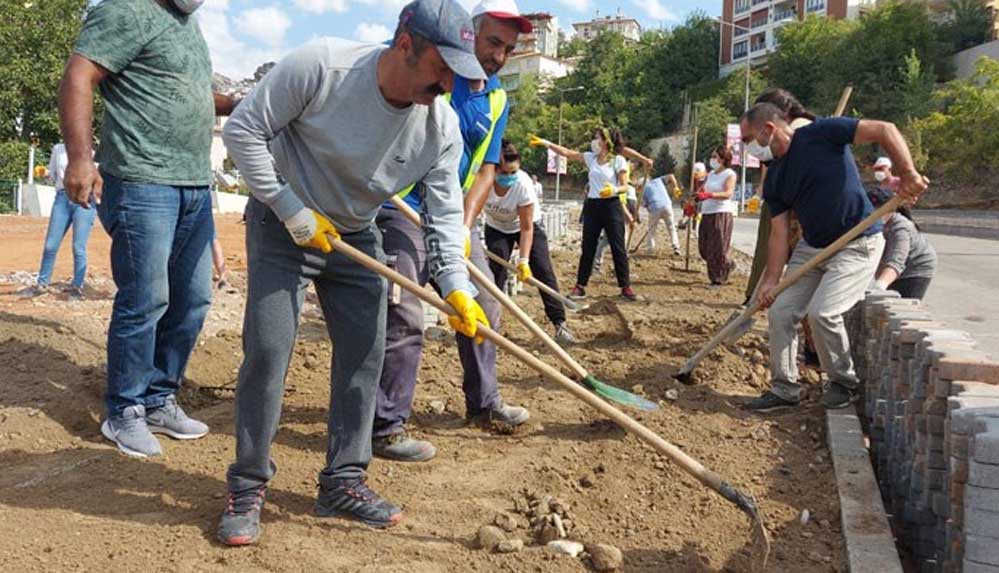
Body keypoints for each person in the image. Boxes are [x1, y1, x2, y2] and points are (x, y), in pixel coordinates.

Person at [218, 0, 490, 544]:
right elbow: (244, 131)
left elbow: (443, 221)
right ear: (405, 43)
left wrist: (458, 289)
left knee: (367, 353)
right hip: (281, 220)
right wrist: (293, 210)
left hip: (354, 235)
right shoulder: (322, 67)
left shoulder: (440, 129)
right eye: (443, 67)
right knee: (269, 349)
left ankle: (343, 480)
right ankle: (247, 483)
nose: (448, 85)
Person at [59, 0, 238, 458]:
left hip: (194, 184)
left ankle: (159, 396)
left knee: (194, 298)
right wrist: (80, 158)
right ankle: (124, 410)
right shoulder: (126, 10)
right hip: (142, 180)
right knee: (146, 297)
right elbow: (79, 75)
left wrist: (240, 104)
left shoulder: (187, 23)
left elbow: (187, 93)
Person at [371, 0, 531, 464]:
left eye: (508, 48)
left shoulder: (497, 97)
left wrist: (462, 225)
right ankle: (386, 426)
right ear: (469, 33)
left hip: (450, 216)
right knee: (405, 316)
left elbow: (485, 168)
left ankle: (484, 404)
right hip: (397, 206)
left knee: (484, 307)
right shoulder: (433, 69)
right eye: (493, 42)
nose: (499, 55)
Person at [740, 102, 928, 412]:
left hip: (857, 243)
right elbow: (778, 233)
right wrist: (770, 282)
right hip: (812, 248)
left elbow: (885, 129)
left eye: (748, 139)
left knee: (823, 313)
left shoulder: (823, 133)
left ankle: (843, 382)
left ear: (769, 129)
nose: (748, 148)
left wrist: (907, 173)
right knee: (781, 312)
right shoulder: (775, 178)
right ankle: (784, 388)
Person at [533, 127, 652, 301]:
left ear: (606, 142)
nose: (594, 140)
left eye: (597, 138)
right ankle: (580, 286)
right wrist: (546, 143)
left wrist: (614, 189)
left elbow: (626, 186)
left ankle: (625, 287)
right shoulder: (591, 158)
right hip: (593, 206)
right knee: (588, 247)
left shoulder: (617, 160)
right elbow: (566, 153)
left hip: (611, 206)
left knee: (617, 247)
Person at [484, 141, 574, 343]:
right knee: (495, 271)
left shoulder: (523, 185)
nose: (509, 177)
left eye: (513, 172)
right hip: (496, 227)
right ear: (494, 169)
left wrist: (523, 260)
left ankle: (560, 323)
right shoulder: (483, 179)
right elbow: (469, 209)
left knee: (542, 270)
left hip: (525, 226)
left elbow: (526, 228)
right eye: (505, 173)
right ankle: (490, 322)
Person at [742, 88, 817, 306]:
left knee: (805, 278)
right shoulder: (782, 137)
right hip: (790, 207)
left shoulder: (801, 129)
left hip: (806, 215)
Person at [32, 142, 97, 298]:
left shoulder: (93, 151)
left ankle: (77, 285)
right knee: (50, 245)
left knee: (78, 247)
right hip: (62, 198)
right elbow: (52, 175)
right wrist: (44, 173)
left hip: (85, 199)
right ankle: (42, 282)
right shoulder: (58, 149)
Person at [868, 185, 937, 299]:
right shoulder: (866, 223)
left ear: (891, 210)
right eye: (871, 212)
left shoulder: (900, 228)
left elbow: (896, 261)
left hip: (917, 266)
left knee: (904, 301)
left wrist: (879, 286)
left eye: (879, 212)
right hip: (893, 264)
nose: (874, 216)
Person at [697, 146, 737, 286]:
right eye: (712, 156)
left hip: (721, 213)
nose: (712, 159)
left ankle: (718, 278)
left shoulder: (729, 174)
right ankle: (727, 263)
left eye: (715, 156)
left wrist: (710, 195)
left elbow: (728, 193)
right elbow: (700, 190)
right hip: (707, 212)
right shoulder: (711, 174)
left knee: (718, 248)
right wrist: (694, 200)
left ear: (723, 159)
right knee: (704, 248)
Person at [642, 172, 681, 255]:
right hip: (667, 205)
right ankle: (676, 247)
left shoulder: (643, 190)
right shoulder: (658, 180)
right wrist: (676, 187)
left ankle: (650, 249)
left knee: (651, 230)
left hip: (655, 208)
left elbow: (646, 205)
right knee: (671, 227)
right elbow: (671, 176)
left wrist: (653, 216)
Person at [678, 162, 707, 232]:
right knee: (691, 210)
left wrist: (698, 194)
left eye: (696, 174)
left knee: (698, 214)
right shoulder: (694, 179)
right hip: (696, 197)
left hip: (704, 199)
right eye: (694, 174)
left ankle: (695, 228)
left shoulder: (708, 178)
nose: (695, 176)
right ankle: (689, 226)